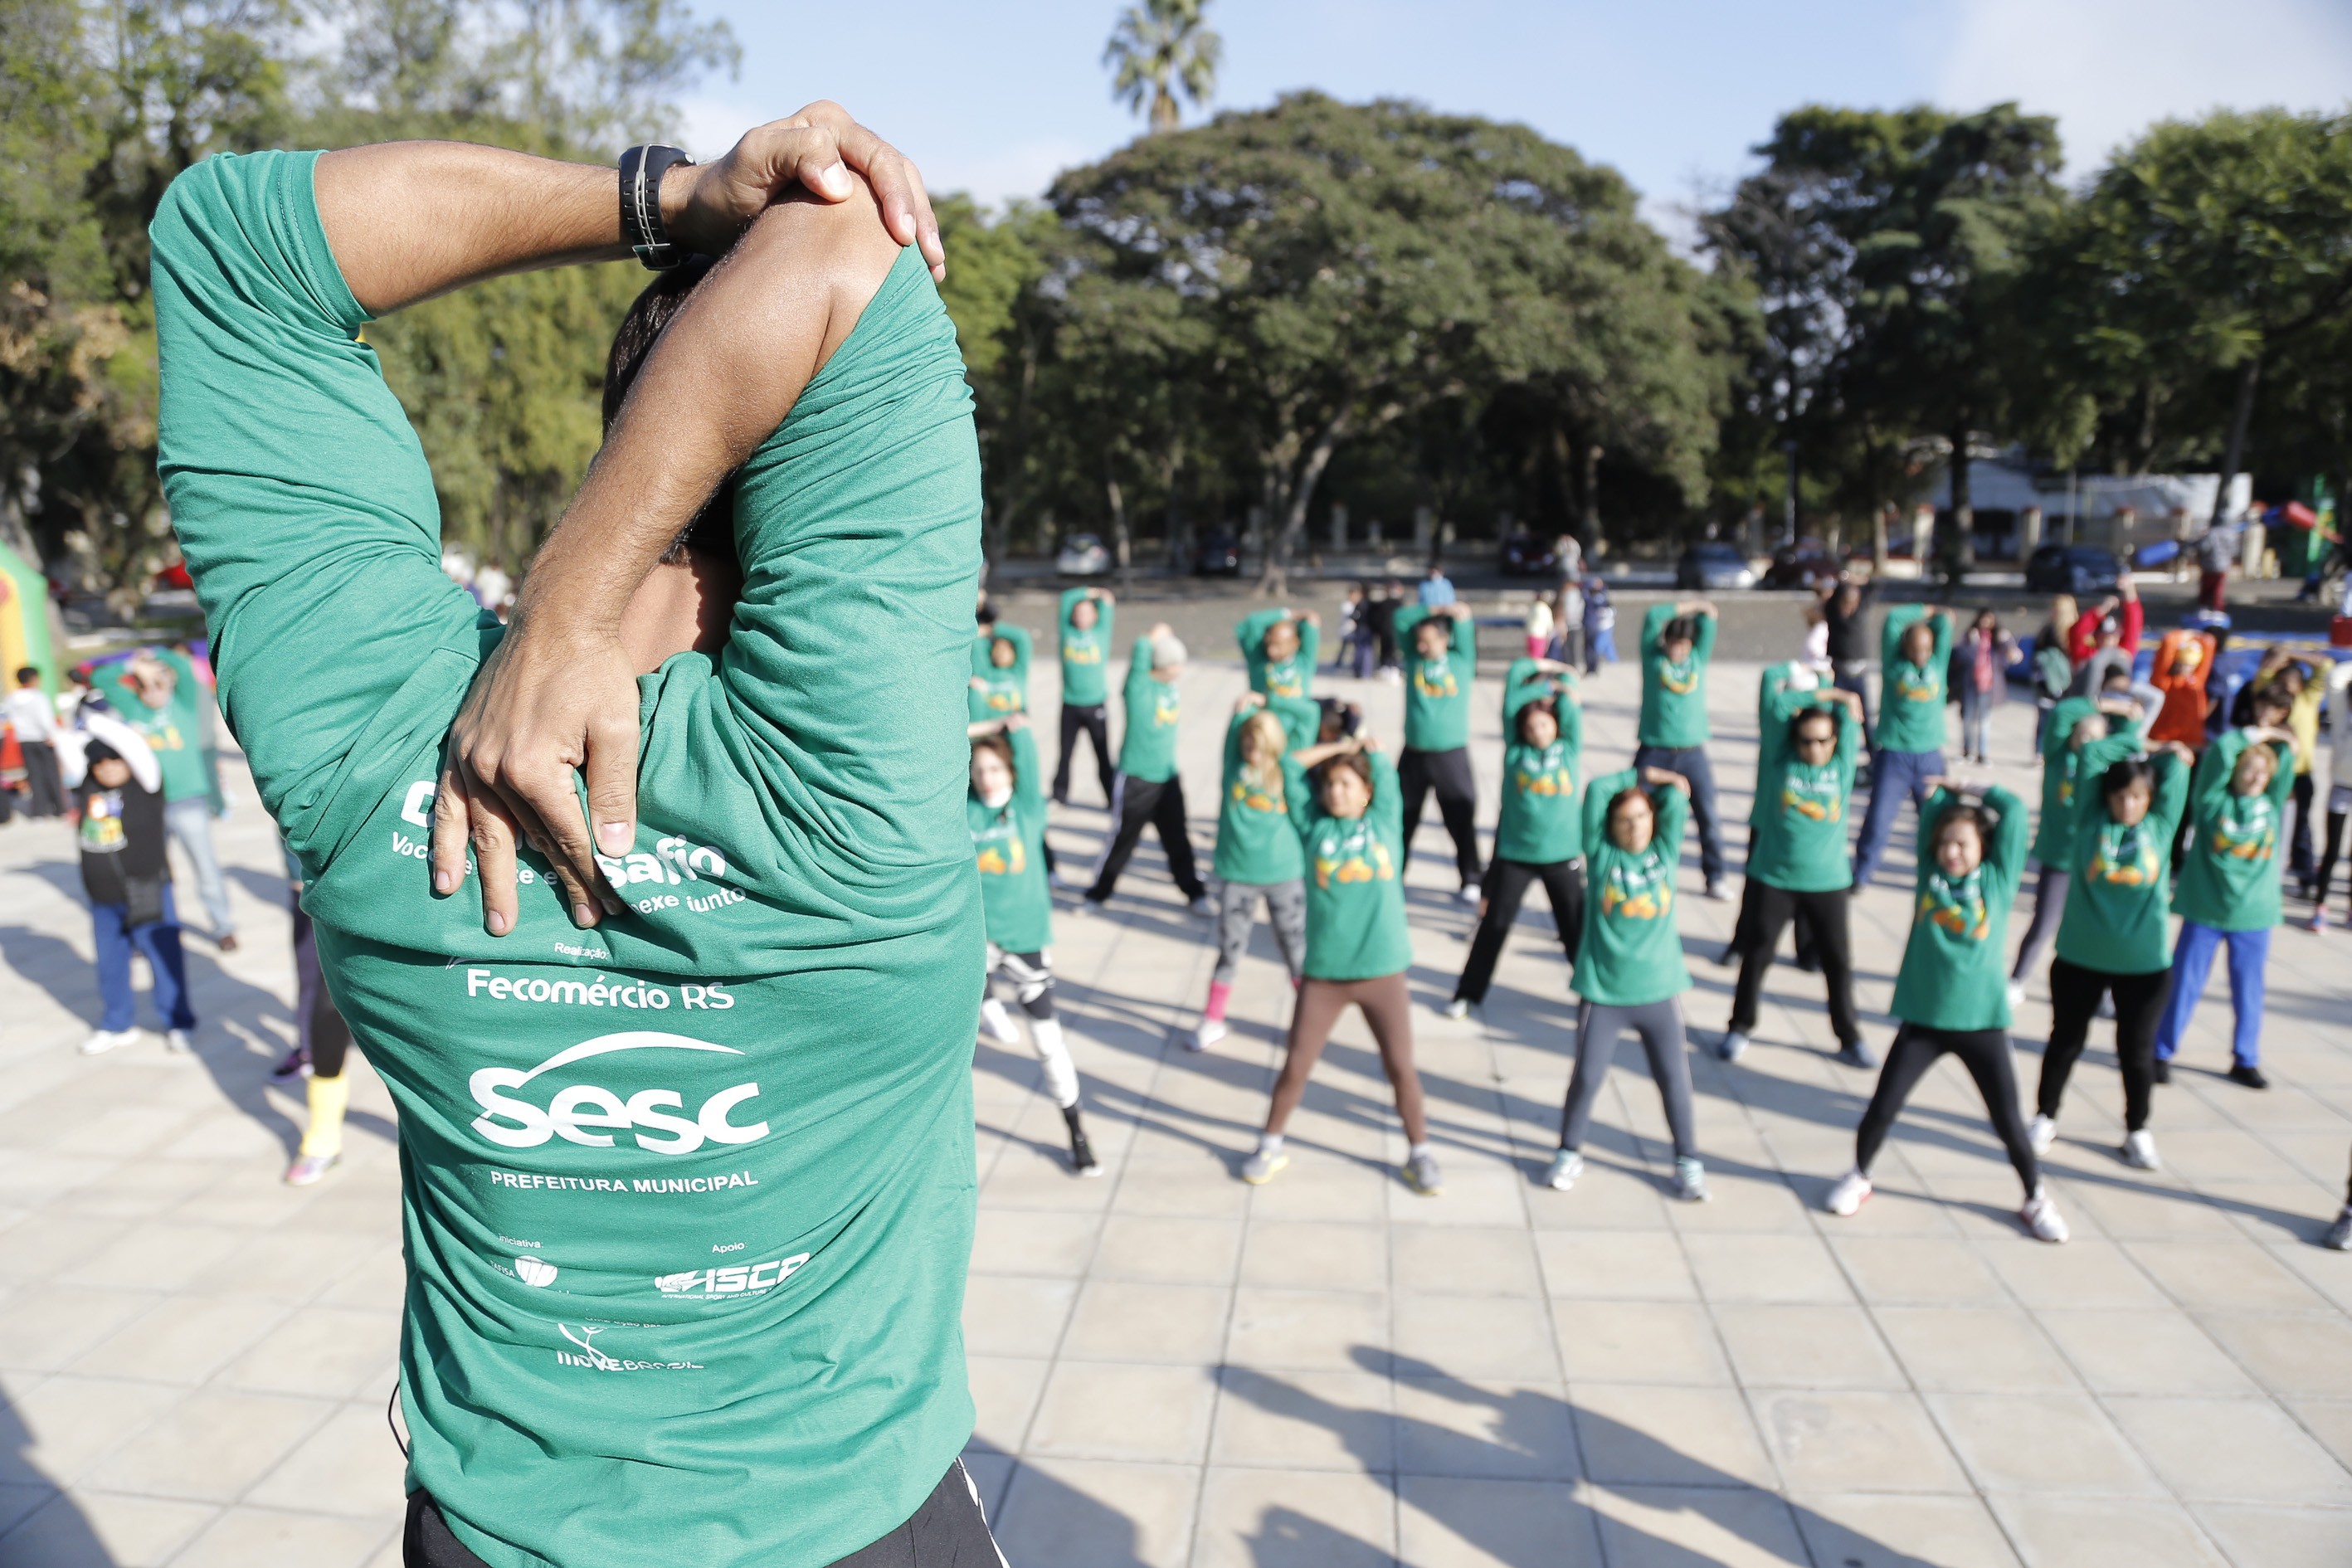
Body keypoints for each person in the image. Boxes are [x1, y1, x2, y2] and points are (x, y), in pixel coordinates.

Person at [153, 114, 1016, 1566]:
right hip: (860, 1530)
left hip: (497, 1536)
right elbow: (837, 241)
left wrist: (667, 199)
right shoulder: (854, 792)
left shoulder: (375, 740)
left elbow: (233, 245)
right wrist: (567, 608)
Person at [1823, 778, 2065, 1242]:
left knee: (2009, 1121)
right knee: (1883, 1106)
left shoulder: (1997, 880)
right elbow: (1930, 808)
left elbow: (2013, 808)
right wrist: (1942, 799)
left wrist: (1967, 788)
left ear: (1983, 848)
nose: (1953, 851)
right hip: (1925, 1022)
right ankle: (1859, 1175)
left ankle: (2034, 1197)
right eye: (1947, 842)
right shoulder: (1928, 874)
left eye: (1964, 844)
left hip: (1982, 1023)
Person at [1240, 732, 1440, 1195]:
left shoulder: (1387, 822)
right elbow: (1289, 767)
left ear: (1366, 792)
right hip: (1326, 977)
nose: (1336, 792)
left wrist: (1366, 751)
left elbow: (1387, 774)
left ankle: (1420, 1153)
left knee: (1401, 1068)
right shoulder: (1314, 828)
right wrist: (1336, 750)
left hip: (1383, 974)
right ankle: (1270, 1143)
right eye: (1331, 785)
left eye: (1347, 785)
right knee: (1296, 1065)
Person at [2031, 734, 2194, 1171]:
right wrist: (2141, 740)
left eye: (2138, 797)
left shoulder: (2161, 824)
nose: (2128, 806)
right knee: (2065, 1042)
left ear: (2149, 799)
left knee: (2136, 1053)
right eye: (2121, 796)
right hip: (2080, 957)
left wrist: (2164, 753)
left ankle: (2137, 1130)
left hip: (2143, 965)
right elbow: (2092, 754)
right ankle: (2045, 1117)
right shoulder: (2089, 819)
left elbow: (2178, 768)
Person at [1546, 766, 1707, 1202]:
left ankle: (1688, 1162)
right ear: (1610, 826)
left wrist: (1668, 784)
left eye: (1642, 817)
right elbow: (1598, 788)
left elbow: (1678, 798)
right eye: (1625, 819)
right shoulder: (1601, 857)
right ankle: (1569, 1151)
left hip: (1659, 991)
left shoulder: (1665, 852)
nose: (1634, 827)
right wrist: (1642, 773)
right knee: (1588, 1077)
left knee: (1675, 1079)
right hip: (1605, 993)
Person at [969, 717, 1098, 1173]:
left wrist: (1009, 726)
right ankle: (988, 1004)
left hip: (1026, 946)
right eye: (979, 770)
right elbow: (946, 744)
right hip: (976, 945)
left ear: (1010, 774)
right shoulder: (964, 811)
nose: (986, 778)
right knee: (964, 1045)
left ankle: (1076, 1129)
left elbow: (1024, 744)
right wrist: (982, 727)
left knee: (1048, 1044)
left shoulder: (1027, 808)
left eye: (995, 770)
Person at [1721, 684, 1868, 1068]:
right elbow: (1781, 702)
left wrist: (1844, 704)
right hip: (1776, 878)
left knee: (1838, 962)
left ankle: (1849, 1036)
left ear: (1834, 741)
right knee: (1757, 956)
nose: (1814, 749)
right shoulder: (1780, 763)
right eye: (1806, 741)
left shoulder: (1842, 766)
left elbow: (1850, 721)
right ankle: (1739, 1027)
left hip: (1828, 882)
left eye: (1822, 741)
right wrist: (1831, 693)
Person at [2152, 723, 2297, 1088]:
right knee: (2184, 983)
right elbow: (2218, 754)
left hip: (2253, 915)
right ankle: (2161, 1051)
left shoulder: (2272, 803)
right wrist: (2257, 732)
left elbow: (2289, 757)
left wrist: (2283, 741)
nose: (2255, 778)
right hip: (2206, 909)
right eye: (2249, 769)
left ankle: (2245, 1058)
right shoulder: (2212, 802)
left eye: (2263, 773)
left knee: (2249, 989)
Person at [1444, 659, 1584, 1021]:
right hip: (1517, 855)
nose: (1538, 732)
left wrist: (1559, 680)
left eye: (1544, 724)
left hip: (1562, 855)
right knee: (1494, 927)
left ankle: (1593, 994)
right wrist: (1542, 669)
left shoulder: (1568, 749)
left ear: (1556, 725)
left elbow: (1570, 690)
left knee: (1575, 930)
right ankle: (1468, 994)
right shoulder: (1516, 753)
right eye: (1531, 726)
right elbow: (1514, 684)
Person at [1192, 692, 1320, 1049]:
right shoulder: (1234, 767)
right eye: (1249, 745)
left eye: (1262, 747)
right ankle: (1213, 1019)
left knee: (1295, 950)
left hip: (1284, 876)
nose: (1254, 753)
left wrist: (1272, 701)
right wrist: (1242, 711)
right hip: (1237, 876)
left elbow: (1309, 713)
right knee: (1230, 950)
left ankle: (1308, 1022)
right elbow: (1236, 728)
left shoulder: (1287, 768)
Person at [90, 647, 238, 949]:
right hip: (148, 804)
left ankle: (223, 926)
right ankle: (152, 929)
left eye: (158, 683)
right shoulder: (134, 709)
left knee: (205, 866)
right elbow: (100, 678)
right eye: (145, 686)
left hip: (188, 801)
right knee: (149, 871)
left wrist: (156, 657)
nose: (153, 691)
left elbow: (183, 669)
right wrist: (132, 664)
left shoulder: (183, 704)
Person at [67, 717, 196, 1056]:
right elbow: (64, 747)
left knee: (163, 958)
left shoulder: (146, 785)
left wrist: (91, 717)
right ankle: (116, 1024)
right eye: (99, 763)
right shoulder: (86, 789)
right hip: (103, 897)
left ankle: (178, 1022)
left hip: (148, 888)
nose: (107, 768)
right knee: (110, 964)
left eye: (114, 760)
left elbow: (134, 745)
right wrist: (72, 728)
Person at [2010, 691, 2137, 1001]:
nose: (2087, 742)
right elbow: (2064, 712)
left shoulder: (2106, 770)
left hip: (2096, 861)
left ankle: (2104, 995)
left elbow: (2132, 740)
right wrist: (2109, 704)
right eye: (2082, 735)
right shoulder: (2057, 757)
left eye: (2095, 737)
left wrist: (2130, 716)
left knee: (2100, 928)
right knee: (2044, 924)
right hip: (2060, 859)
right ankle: (2015, 980)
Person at [1085, 625, 1209, 912]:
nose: (1180, 669)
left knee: (1178, 839)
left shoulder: (1171, 688)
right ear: (1162, 665)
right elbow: (1140, 651)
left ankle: (1195, 893)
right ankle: (1098, 894)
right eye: (1176, 664)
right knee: (1122, 841)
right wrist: (1153, 637)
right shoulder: (1138, 688)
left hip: (1167, 778)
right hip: (1136, 780)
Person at [1850, 605, 1952, 889]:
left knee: (1936, 822)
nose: (1921, 655)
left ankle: (1939, 875)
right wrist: (1928, 609)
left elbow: (1945, 624)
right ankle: (1861, 874)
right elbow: (1893, 619)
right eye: (1916, 649)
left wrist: (1938, 618)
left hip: (1930, 756)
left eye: (1926, 649)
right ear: (1905, 648)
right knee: (1878, 820)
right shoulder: (1894, 666)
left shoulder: (1937, 664)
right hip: (1895, 755)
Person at [1632, 599, 1726, 898]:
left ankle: (1715, 876)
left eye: (1684, 644)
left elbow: (1710, 618)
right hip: (1654, 750)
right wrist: (1690, 604)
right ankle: (1632, 868)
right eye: (1674, 643)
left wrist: (1702, 610)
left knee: (1708, 815)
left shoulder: (1697, 659)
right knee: (1633, 808)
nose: (1678, 649)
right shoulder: (1653, 659)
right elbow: (1652, 614)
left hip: (1692, 752)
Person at [1391, 601, 1482, 900]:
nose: (1422, 645)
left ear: (1444, 639)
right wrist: (1432, 609)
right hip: (1414, 752)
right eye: (1420, 640)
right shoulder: (1415, 658)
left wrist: (1456, 616)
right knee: (1402, 818)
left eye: (1429, 641)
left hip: (1450, 753)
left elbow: (1465, 620)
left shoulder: (1461, 660)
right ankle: (1394, 874)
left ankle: (1470, 878)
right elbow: (1401, 618)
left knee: (1460, 818)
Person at [1053, 586, 1115, 806]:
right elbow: (1067, 597)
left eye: (1087, 612)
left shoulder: (1101, 632)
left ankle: (1113, 797)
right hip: (1070, 704)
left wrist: (1098, 595)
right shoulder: (1067, 632)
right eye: (1078, 612)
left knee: (1103, 755)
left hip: (1095, 704)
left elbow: (1108, 600)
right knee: (1065, 754)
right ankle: (1059, 795)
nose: (1081, 616)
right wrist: (1089, 591)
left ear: (1095, 616)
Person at [2310, 660, 2352, 932]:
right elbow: (2336, 677)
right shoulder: (2342, 714)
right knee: (2332, 851)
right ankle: (2320, 907)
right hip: (2341, 787)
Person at [1952, 609, 2018, 765]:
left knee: (1984, 720)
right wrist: (1972, 644)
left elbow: (2010, 658)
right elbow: (1960, 656)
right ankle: (1967, 750)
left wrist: (2008, 641)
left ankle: (1982, 752)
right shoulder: (1970, 635)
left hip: (1988, 685)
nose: (1986, 623)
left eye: (1990, 620)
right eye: (1984, 619)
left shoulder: (1998, 639)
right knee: (1968, 719)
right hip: (1970, 683)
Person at [4, 666, 66, 818]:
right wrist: (52, 734)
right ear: (33, 679)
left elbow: (10, 718)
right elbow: (45, 720)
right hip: (43, 738)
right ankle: (60, 809)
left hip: (25, 740)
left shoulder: (11, 698)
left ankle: (39, 811)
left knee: (34, 776)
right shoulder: (38, 697)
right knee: (51, 774)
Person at [1822, 576, 1875, 748]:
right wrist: (1842, 581)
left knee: (1865, 715)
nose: (1847, 606)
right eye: (1844, 601)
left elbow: (1876, 585)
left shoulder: (1860, 612)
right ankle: (1834, 746)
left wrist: (1855, 578)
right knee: (1836, 713)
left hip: (1859, 675)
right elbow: (1835, 594)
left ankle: (1872, 752)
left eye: (1851, 602)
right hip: (1840, 674)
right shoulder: (1832, 613)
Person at [2146, 626, 2218, 755]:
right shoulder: (2164, 683)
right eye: (2181, 664)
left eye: (2190, 666)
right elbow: (2167, 645)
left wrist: (2197, 636)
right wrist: (2185, 634)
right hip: (2164, 744)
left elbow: (2210, 644)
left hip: (2193, 745)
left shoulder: (2196, 682)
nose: (2185, 668)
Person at [1238, 607, 1322, 700]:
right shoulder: (1258, 660)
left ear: (1295, 643)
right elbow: (1253, 622)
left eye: (1278, 645)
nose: (1271, 650)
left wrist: (1304, 619)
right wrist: (1288, 614)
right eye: (1269, 644)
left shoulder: (1304, 661)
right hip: (1264, 714)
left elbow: (1311, 623)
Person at [2031, 595, 2077, 753]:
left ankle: (2041, 751)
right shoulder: (2051, 631)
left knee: (2048, 718)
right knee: (2048, 717)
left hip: (2057, 682)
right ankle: (2041, 750)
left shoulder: (2060, 632)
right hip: (2052, 682)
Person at [967, 621, 1030, 721]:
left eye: (1005, 649)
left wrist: (991, 630)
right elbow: (977, 645)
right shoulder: (986, 672)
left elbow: (1022, 637)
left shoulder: (1018, 672)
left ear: (1014, 653)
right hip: (987, 725)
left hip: (1013, 723)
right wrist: (979, 633)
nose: (1001, 653)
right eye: (998, 648)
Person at [1580, 571, 1615, 671]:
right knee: (1593, 647)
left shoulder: (1601, 597)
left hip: (1600, 625)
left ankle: (1594, 667)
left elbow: (1610, 607)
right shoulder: (1589, 596)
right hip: (1594, 624)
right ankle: (1592, 667)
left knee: (1597, 646)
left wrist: (1601, 585)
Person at [1523, 593, 1553, 660]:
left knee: (1531, 657)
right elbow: (1550, 625)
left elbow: (1527, 620)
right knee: (1537, 659)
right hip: (1540, 635)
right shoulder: (1545, 609)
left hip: (1530, 635)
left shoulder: (1532, 607)